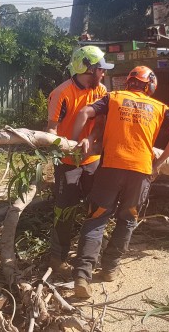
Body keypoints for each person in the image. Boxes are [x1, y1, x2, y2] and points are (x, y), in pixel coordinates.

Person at [70, 66, 169, 298]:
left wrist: (74, 143)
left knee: (97, 219)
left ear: (129, 82)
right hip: (141, 172)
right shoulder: (160, 108)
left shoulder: (113, 97)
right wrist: (160, 162)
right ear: (151, 85)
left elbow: (84, 112)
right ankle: (110, 268)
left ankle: (83, 275)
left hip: (111, 168)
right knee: (127, 220)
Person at [46, 45, 114, 277]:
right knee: (65, 210)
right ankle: (58, 258)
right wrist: (71, 145)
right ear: (88, 68)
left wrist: (91, 138)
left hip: (92, 159)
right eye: (100, 69)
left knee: (96, 208)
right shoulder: (61, 93)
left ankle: (90, 253)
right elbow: (51, 131)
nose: (103, 73)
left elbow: (102, 124)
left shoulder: (102, 90)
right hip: (67, 161)